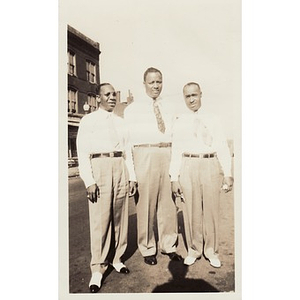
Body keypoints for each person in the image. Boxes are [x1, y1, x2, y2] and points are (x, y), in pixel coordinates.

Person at [76, 83, 136, 293]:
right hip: (99, 166)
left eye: (114, 95)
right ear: (98, 97)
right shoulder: (88, 120)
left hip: (120, 166)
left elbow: (127, 150)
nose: (112, 98)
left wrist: (132, 177)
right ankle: (98, 268)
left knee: (120, 216)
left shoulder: (121, 122)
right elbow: (82, 153)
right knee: (100, 220)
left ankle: (117, 258)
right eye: (107, 94)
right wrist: (89, 180)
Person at [170, 82, 233, 268]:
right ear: (184, 98)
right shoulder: (180, 121)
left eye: (194, 95)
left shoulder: (213, 118)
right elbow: (176, 150)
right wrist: (174, 177)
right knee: (191, 210)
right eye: (187, 96)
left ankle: (211, 251)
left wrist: (227, 174)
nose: (191, 99)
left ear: (200, 95)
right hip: (188, 165)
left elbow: (222, 146)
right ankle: (194, 249)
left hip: (210, 163)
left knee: (212, 210)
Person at [124, 67, 182, 266]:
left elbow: (176, 136)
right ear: (144, 84)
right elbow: (127, 143)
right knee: (146, 204)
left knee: (168, 204)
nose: (156, 86)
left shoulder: (170, 107)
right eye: (152, 82)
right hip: (144, 155)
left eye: (159, 82)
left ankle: (169, 245)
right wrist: (132, 174)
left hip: (166, 152)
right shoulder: (132, 110)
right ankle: (148, 247)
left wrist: (176, 168)